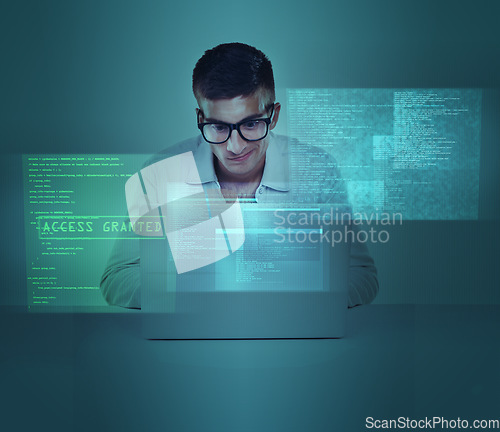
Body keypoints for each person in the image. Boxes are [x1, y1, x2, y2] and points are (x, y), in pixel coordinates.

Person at [100, 42, 378, 308]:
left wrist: (293, 300)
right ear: (200, 119)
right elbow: (117, 278)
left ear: (274, 115)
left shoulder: (317, 170)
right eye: (218, 127)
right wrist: (195, 299)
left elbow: (361, 275)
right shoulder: (159, 172)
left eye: (252, 123)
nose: (236, 146)